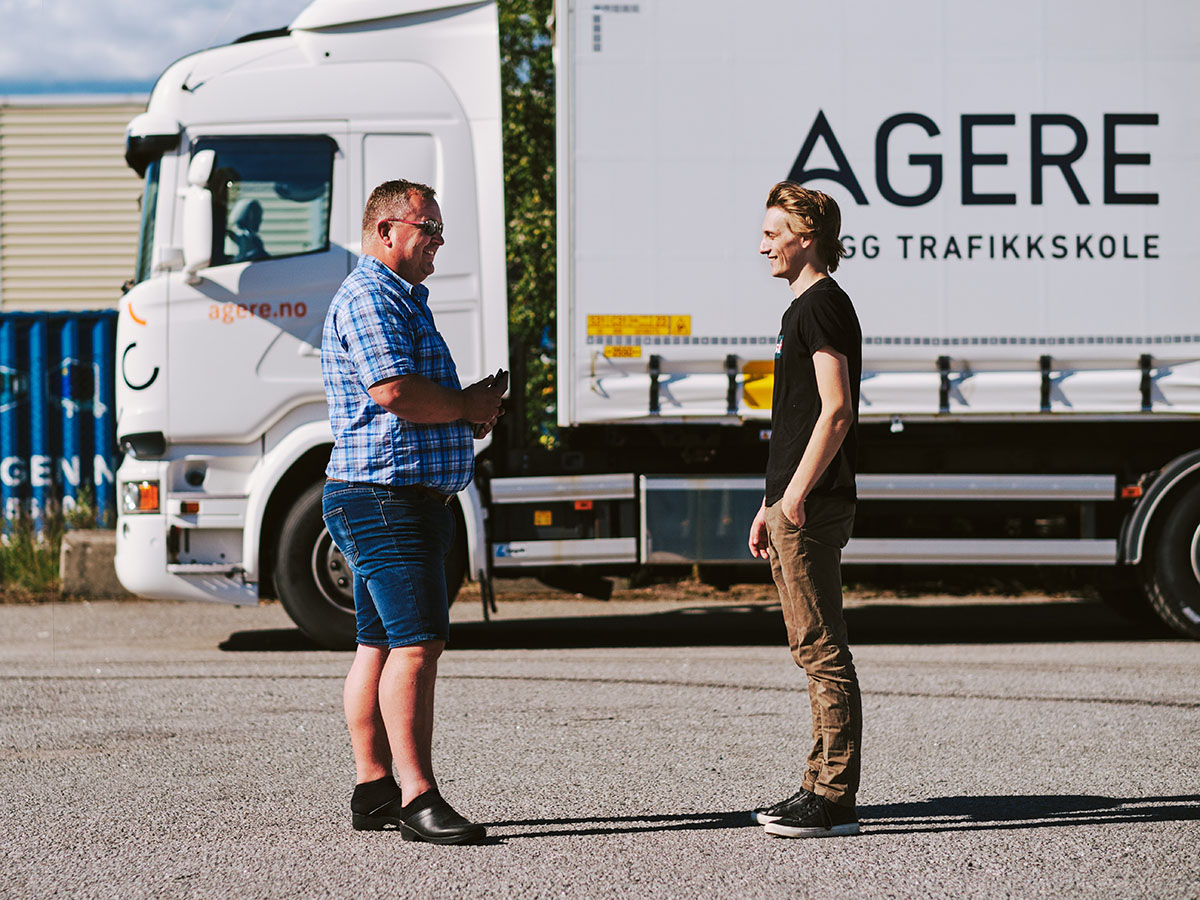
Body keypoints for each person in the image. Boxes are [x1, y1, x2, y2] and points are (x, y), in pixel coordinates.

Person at [320, 179, 504, 845]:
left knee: (377, 646)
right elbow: (393, 390)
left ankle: (374, 791)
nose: (438, 241)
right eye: (427, 228)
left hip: (384, 494)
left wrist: (466, 410)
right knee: (417, 645)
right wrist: (465, 405)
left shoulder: (397, 297)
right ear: (385, 231)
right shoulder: (372, 297)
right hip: (387, 498)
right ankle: (418, 797)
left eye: (439, 230)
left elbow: (405, 399)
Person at [747, 181, 863, 839]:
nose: (763, 245)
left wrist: (793, 498)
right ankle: (816, 786)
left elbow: (836, 410)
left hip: (810, 506)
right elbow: (797, 421)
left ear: (807, 237)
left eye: (773, 233)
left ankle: (834, 800)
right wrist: (769, 501)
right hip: (793, 502)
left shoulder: (820, 306)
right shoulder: (805, 307)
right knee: (809, 645)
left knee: (822, 648)